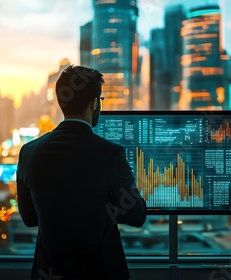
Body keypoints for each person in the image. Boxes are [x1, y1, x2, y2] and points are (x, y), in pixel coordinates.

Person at [17, 65, 147, 280]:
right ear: (95, 103)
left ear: (61, 102)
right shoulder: (111, 154)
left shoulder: (29, 152)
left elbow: (30, 219)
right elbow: (136, 215)